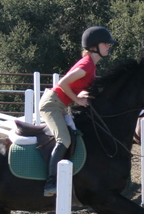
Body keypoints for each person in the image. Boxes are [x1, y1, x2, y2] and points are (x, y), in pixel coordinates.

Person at [39, 26, 116, 197]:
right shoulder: (87, 65)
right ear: (94, 46)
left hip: (60, 105)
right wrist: (78, 100)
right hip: (51, 105)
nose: (108, 46)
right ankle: (50, 182)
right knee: (64, 139)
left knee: (76, 136)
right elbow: (62, 83)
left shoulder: (91, 66)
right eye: (105, 43)